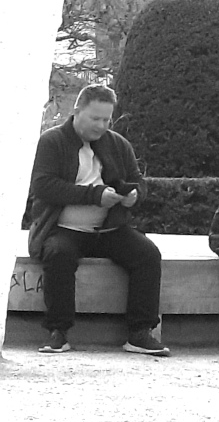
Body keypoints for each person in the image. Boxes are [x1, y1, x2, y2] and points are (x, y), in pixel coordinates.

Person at [23, 84, 170, 356]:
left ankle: (140, 332)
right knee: (58, 255)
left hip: (109, 228)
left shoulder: (118, 144)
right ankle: (58, 331)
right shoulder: (52, 141)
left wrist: (134, 195)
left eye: (106, 119)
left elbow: (137, 180)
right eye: (95, 118)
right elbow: (43, 186)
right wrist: (94, 195)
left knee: (147, 255)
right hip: (62, 228)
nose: (101, 126)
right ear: (77, 112)